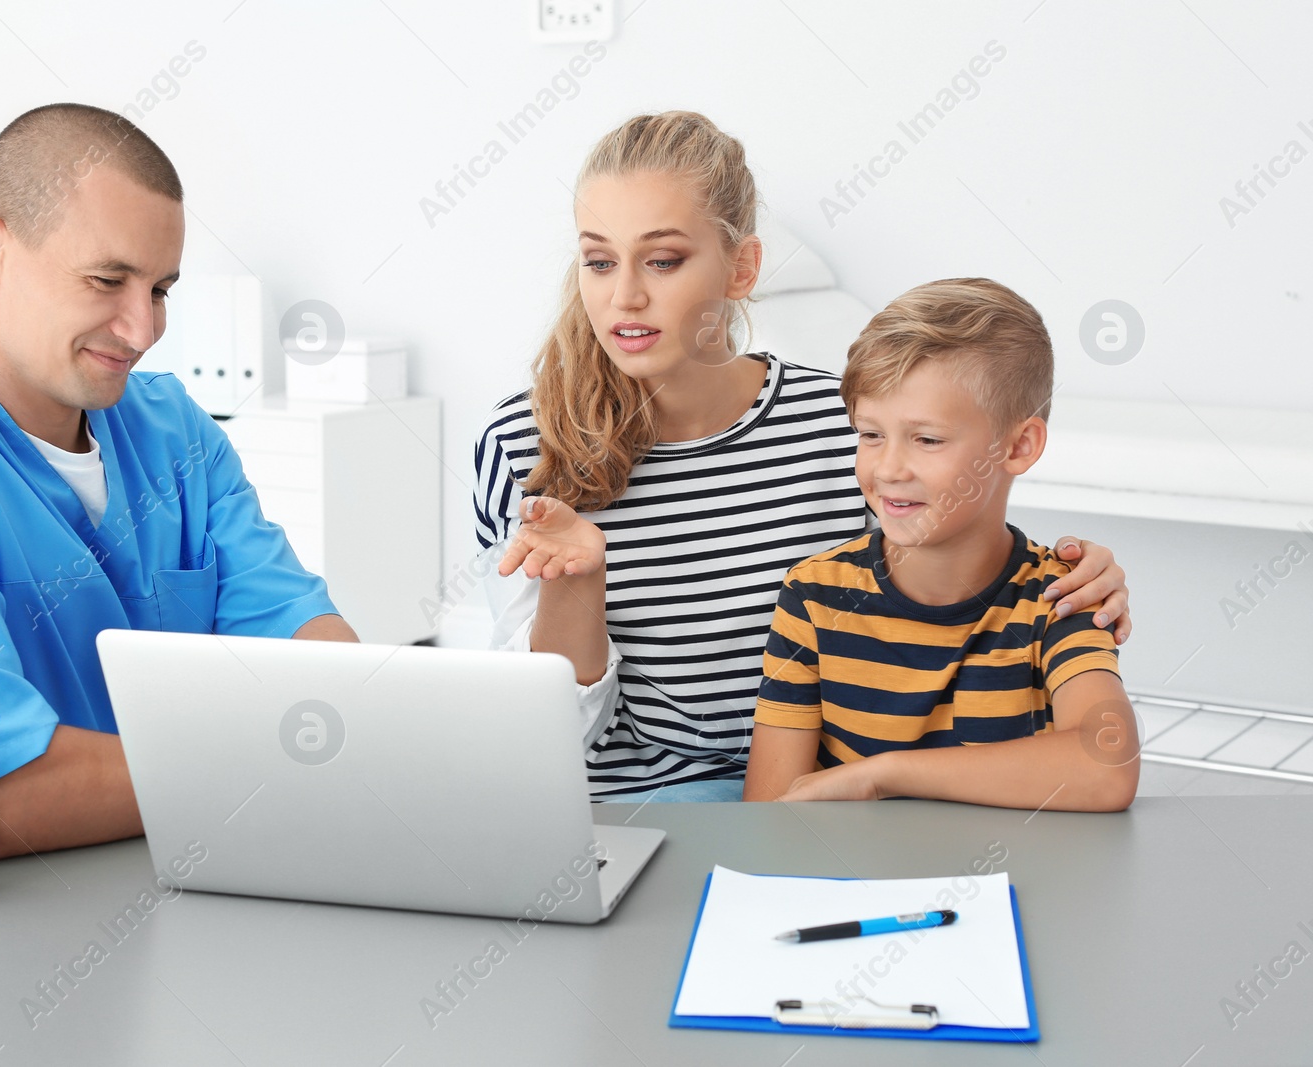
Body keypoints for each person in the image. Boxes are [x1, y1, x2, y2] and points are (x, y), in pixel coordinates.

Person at [0, 103, 356, 921]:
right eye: (107, 280)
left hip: (149, 876)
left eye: (160, 289)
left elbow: (315, 651)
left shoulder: (174, 431)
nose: (144, 327)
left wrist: (356, 716)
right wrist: (281, 752)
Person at [474, 111, 1133, 802]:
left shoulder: (845, 426)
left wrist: (1079, 572)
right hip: (625, 807)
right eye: (599, 261)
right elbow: (545, 731)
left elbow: (946, 574)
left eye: (663, 260)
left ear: (742, 267)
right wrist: (573, 585)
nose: (624, 296)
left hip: (817, 798)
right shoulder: (522, 443)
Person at [743, 278, 1138, 811]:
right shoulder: (814, 595)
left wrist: (883, 776)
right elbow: (769, 816)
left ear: (1019, 446)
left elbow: (1107, 764)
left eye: (927, 439)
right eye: (870, 434)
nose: (888, 469)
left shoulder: (1062, 595)